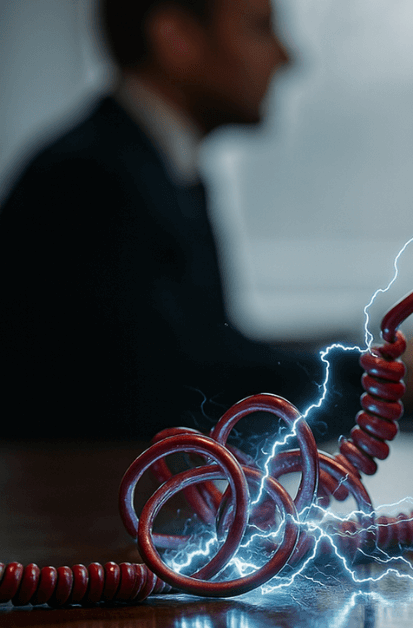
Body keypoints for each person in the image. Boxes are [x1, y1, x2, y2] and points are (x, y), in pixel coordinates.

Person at [0, 0, 341, 440]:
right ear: (176, 37)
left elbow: (212, 346)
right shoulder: (90, 179)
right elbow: (183, 380)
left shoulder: (149, 165)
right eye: (260, 28)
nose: (286, 57)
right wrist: (381, 376)